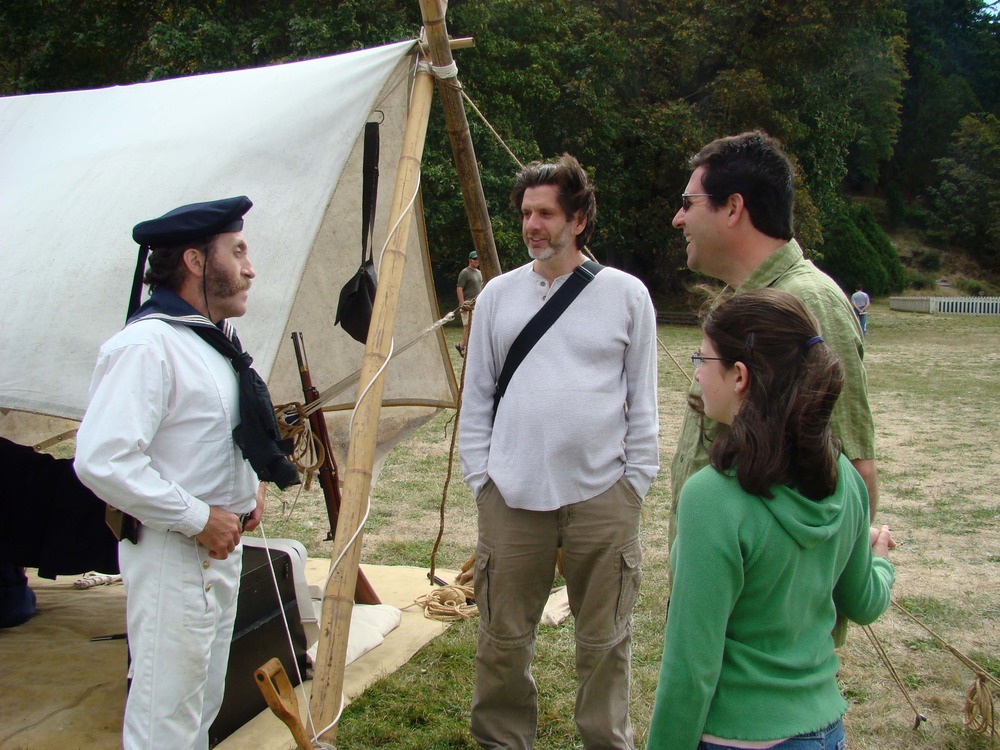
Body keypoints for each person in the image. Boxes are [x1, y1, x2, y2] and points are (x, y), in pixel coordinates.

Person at [75, 196, 298, 750]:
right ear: (196, 261)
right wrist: (199, 518)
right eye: (237, 252)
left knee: (200, 704)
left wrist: (250, 486)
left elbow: (213, 433)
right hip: (174, 553)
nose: (250, 268)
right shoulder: (147, 345)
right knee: (166, 715)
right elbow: (103, 460)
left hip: (217, 548)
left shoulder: (208, 338)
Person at [458, 153, 659, 750]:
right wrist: (482, 481)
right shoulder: (496, 296)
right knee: (501, 639)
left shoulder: (626, 295)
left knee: (604, 642)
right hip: (511, 495)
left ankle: (605, 742)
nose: (532, 225)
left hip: (603, 496)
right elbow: (476, 398)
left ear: (579, 220)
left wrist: (635, 484)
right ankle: (502, 742)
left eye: (546, 213)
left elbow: (643, 401)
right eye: (526, 213)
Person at [647, 288, 895, 750]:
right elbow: (863, 601)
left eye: (703, 358)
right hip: (826, 732)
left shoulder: (710, 499)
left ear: (739, 376)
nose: (696, 372)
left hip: (736, 738)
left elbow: (690, 670)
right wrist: (879, 559)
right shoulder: (845, 479)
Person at [670, 131, 878, 540]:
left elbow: (854, 471)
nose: (678, 219)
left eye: (688, 203)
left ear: (733, 207)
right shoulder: (743, 300)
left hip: (758, 580)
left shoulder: (808, 301)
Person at [455, 250, 483, 357]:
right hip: (467, 305)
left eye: (478, 258)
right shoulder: (465, 272)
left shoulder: (479, 273)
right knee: (467, 327)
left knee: (475, 328)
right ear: (470, 260)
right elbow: (459, 288)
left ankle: (462, 345)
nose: (477, 261)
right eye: (474, 259)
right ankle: (464, 346)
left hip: (476, 305)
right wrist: (462, 304)